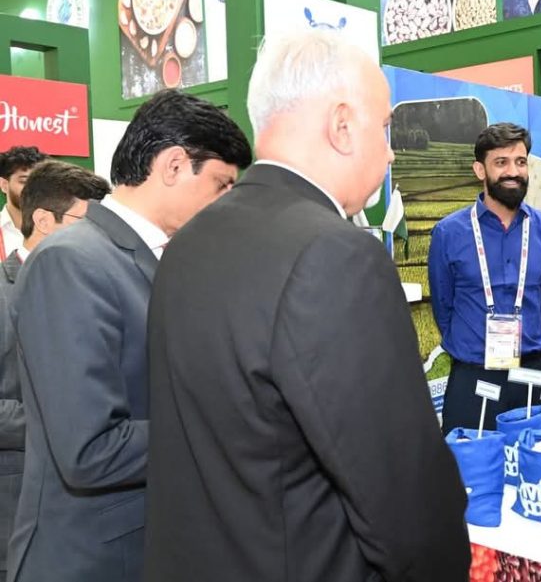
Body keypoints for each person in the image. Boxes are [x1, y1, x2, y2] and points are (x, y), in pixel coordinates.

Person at [144, 30, 470, 582]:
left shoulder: (188, 241)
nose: (391, 151)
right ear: (342, 125)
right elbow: (402, 495)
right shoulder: (334, 255)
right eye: (384, 127)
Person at [8, 90, 252, 582]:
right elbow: (89, 449)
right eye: (222, 184)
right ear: (174, 165)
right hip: (93, 559)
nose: (228, 202)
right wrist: (228, 424)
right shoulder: (72, 262)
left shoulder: (159, 258)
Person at [0, 161, 110, 578]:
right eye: (88, 222)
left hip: (95, 521)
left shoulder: (103, 288)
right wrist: (66, 426)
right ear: (44, 221)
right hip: (15, 511)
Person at [429, 123, 541, 434]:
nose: (513, 172)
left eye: (520, 161)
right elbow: (443, 307)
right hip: (473, 375)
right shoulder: (448, 232)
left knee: (535, 463)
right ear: (480, 170)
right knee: (470, 463)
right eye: (501, 162)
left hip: (531, 374)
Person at [0, 148, 47, 260]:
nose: (32, 189)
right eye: (24, 182)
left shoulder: (57, 230)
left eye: (38, 183)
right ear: (4, 185)